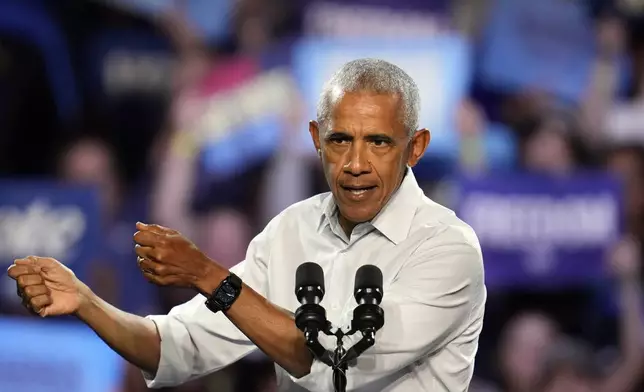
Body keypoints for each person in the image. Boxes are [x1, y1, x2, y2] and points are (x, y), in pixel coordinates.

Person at [7, 59, 486, 392]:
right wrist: (87, 303)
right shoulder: (289, 233)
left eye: (379, 142)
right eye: (340, 140)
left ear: (415, 147)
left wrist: (209, 276)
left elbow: (333, 365)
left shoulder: (448, 249)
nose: (356, 162)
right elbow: (173, 349)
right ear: (317, 141)